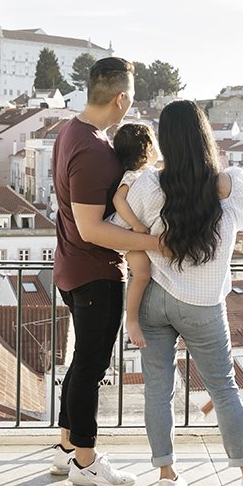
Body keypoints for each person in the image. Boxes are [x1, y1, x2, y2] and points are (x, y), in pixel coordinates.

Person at [116, 100, 243, 486]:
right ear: (205, 134)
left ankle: (167, 478)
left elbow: (119, 231)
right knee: (223, 389)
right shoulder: (233, 184)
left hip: (153, 301)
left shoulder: (147, 186)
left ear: (164, 140)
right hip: (204, 305)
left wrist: (143, 232)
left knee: (157, 390)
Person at [49, 56, 164, 486]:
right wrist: (154, 243)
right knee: (91, 368)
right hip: (95, 273)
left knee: (81, 365)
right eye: (131, 98)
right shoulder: (95, 151)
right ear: (121, 98)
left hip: (72, 267)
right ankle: (86, 462)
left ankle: (67, 450)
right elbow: (91, 227)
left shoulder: (71, 133)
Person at [105, 122, 159, 350]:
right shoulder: (133, 175)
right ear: (147, 147)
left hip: (131, 232)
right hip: (124, 231)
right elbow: (118, 200)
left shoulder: (147, 174)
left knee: (145, 274)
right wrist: (135, 225)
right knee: (142, 275)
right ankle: (132, 320)